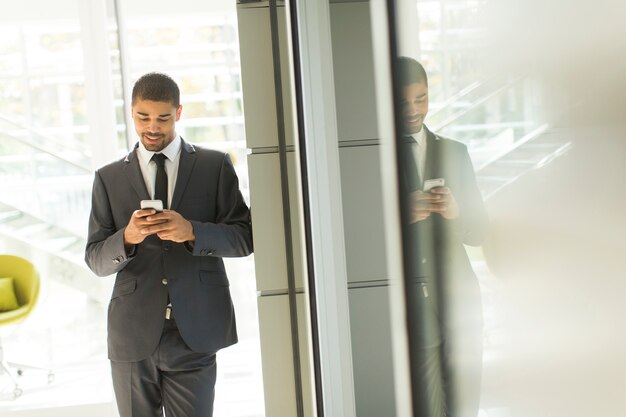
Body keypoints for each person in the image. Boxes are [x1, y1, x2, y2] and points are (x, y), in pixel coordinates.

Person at [85, 72, 253, 417]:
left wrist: (192, 231)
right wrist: (128, 237)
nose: (152, 127)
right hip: (132, 334)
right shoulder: (108, 178)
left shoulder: (214, 166)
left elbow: (245, 238)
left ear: (178, 113)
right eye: (143, 117)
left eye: (162, 117)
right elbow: (96, 260)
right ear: (131, 113)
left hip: (196, 329)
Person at [396, 57, 488, 417]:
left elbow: (479, 231)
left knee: (466, 408)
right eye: (404, 102)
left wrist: (456, 212)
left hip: (460, 300)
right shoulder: (375, 158)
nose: (414, 110)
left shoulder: (455, 152)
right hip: (414, 308)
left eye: (421, 99)